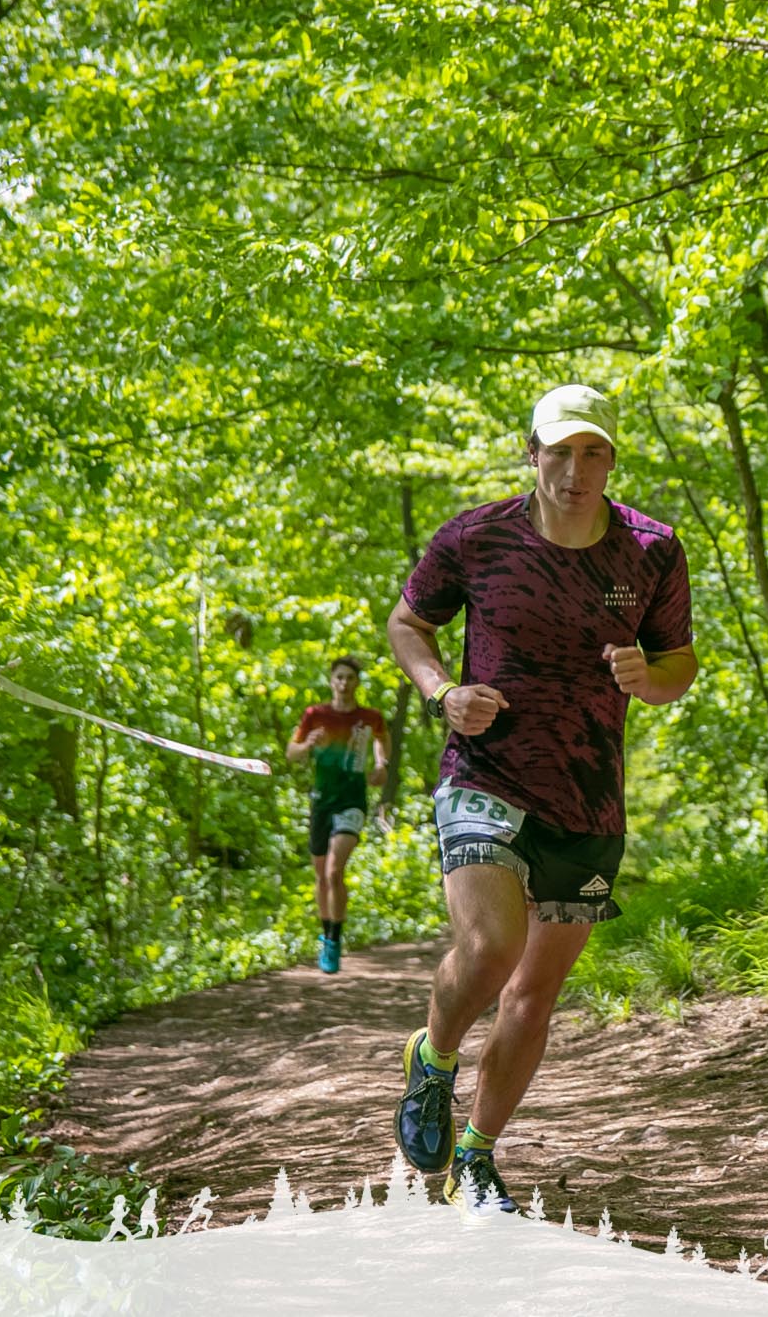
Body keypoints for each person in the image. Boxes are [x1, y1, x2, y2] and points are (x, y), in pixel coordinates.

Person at [385, 383, 697, 1211]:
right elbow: (408, 625)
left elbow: (679, 663)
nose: (574, 471)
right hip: (484, 774)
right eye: (559, 452)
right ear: (532, 454)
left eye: (592, 453)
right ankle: (434, 1059)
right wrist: (441, 692)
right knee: (492, 946)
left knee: (532, 995)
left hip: (587, 799)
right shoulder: (476, 537)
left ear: (611, 460)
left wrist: (649, 675)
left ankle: (477, 1159)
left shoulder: (652, 550)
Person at [286, 655, 389, 973]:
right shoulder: (315, 715)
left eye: (350, 678)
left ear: (357, 683)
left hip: (352, 801)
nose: (344, 683)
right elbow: (291, 753)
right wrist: (307, 745)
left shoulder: (369, 717)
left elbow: (382, 738)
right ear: (331, 681)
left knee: (334, 871)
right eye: (339, 677)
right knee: (321, 876)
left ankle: (334, 940)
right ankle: (326, 934)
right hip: (321, 801)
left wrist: (381, 764)